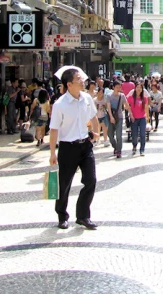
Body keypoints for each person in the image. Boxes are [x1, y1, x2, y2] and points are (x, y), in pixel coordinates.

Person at [49, 68, 100, 230]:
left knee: (90, 180)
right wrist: (52, 153)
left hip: (85, 145)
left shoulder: (86, 98)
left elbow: (93, 116)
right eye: (78, 79)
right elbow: (54, 129)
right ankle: (62, 215)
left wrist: (97, 132)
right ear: (69, 84)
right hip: (67, 147)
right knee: (64, 184)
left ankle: (83, 216)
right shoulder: (60, 105)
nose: (82, 81)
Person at [126, 82, 149, 156]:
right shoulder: (131, 98)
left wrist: (147, 117)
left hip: (142, 118)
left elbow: (146, 108)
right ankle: (134, 146)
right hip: (134, 118)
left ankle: (142, 150)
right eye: (137, 87)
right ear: (135, 88)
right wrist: (130, 113)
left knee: (142, 134)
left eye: (140, 88)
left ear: (142, 89)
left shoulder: (144, 98)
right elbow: (126, 106)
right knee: (134, 134)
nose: (139, 89)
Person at [107, 81, 129, 158]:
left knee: (119, 135)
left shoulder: (122, 96)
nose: (118, 89)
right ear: (113, 87)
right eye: (117, 87)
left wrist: (130, 113)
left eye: (120, 87)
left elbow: (126, 105)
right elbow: (108, 107)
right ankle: (115, 147)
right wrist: (111, 117)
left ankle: (119, 151)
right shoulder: (109, 96)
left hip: (119, 117)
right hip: (111, 117)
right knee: (110, 135)